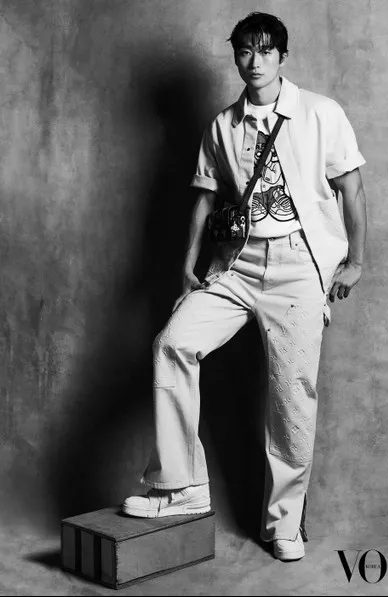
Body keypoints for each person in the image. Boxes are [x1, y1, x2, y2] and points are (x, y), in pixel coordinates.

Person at [123, 11, 367, 562]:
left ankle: (284, 523)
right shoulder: (222, 126)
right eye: (244, 51)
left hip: (298, 268)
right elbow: (206, 197)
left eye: (265, 51)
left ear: (282, 56)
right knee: (172, 344)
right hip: (237, 264)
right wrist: (189, 266)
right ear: (235, 56)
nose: (254, 62)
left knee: (291, 397)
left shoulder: (320, 113)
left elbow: (351, 188)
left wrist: (355, 261)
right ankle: (180, 486)